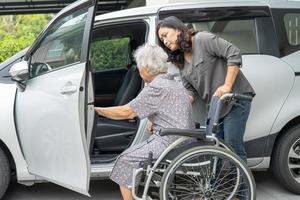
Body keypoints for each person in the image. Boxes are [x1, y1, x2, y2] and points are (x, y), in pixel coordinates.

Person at [95, 43, 194, 200]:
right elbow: (164, 108)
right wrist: (151, 119)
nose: (139, 70)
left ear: (146, 68)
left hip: (170, 140)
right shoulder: (172, 82)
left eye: (140, 66)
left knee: (124, 160)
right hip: (181, 137)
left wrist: (95, 110)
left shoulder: (156, 87)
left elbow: (126, 112)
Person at [156, 16, 255, 163]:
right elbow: (190, 91)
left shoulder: (202, 39)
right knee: (216, 150)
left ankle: (245, 187)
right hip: (216, 107)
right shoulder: (181, 60)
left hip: (235, 100)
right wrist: (170, 109)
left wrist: (227, 86)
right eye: (162, 40)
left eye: (165, 35)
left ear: (178, 29)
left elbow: (233, 53)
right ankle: (222, 185)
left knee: (233, 147)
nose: (165, 41)